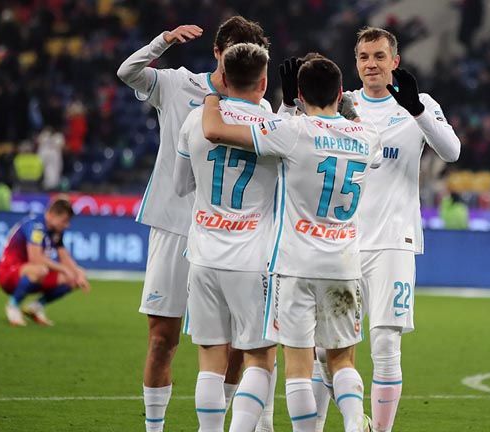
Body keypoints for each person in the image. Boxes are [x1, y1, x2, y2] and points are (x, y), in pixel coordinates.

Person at [201, 56, 383, 432]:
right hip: (344, 265)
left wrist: (212, 94)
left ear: (299, 94)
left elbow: (216, 132)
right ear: (340, 92)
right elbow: (360, 131)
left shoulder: (292, 130)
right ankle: (354, 422)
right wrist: (348, 109)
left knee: (298, 366)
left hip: (295, 265)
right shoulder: (367, 137)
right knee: (341, 360)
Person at [293, 27, 461, 432]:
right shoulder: (342, 105)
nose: (371, 64)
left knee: (386, 343)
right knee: (324, 349)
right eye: (364, 57)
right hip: (342, 242)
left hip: (393, 241)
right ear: (355, 63)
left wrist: (416, 109)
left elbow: (452, 151)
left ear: (395, 62)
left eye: (379, 56)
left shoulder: (419, 105)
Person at [116, 16, 271, 432]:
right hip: (173, 226)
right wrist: (163, 40)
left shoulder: (261, 109)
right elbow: (127, 72)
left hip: (230, 236)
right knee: (161, 339)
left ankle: (221, 422)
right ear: (217, 52)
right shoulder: (177, 84)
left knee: (234, 346)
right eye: (233, 51)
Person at [174, 42, 278, 432]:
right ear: (263, 82)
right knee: (260, 358)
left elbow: (180, 185)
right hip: (253, 259)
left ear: (224, 78)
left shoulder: (195, 120)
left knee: (210, 360)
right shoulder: (274, 127)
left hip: (203, 256)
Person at [0, 199, 90, 327]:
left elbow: (65, 257)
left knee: (75, 275)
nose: (67, 225)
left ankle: (35, 307)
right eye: (64, 221)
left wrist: (78, 275)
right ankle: (13, 306)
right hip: (9, 274)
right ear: (53, 215)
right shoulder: (36, 227)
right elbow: (36, 259)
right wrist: (64, 269)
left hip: (31, 273)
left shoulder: (56, 230)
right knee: (40, 269)